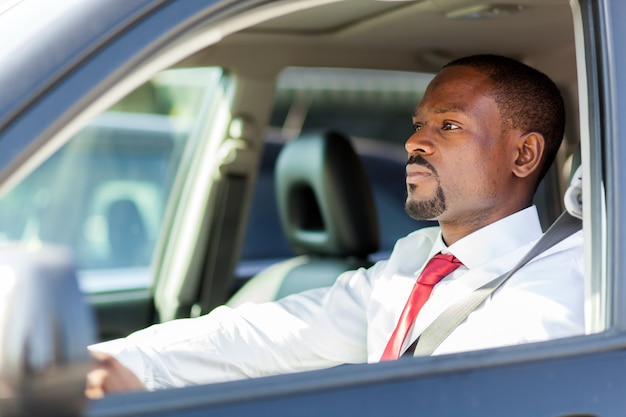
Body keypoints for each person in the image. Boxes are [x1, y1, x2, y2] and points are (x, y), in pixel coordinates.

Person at [85, 54, 584, 399]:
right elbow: (265, 336)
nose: (416, 142)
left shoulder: (556, 296)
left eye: (448, 125)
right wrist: (108, 363)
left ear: (524, 154)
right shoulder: (416, 261)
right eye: (418, 123)